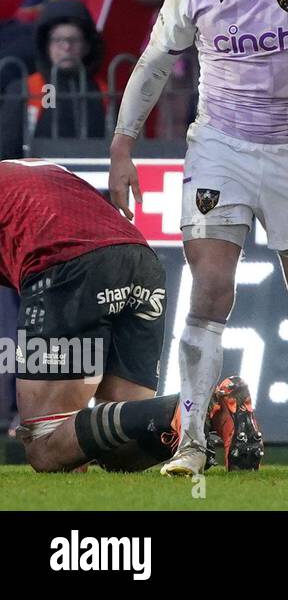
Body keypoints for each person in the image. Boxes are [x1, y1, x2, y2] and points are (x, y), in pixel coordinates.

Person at [109, 0, 288, 477]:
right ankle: (191, 442)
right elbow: (154, 61)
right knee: (210, 290)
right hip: (219, 149)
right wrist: (123, 142)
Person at [4, 158, 179, 473]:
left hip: (69, 265)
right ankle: (209, 406)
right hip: (140, 259)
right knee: (123, 446)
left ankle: (186, 408)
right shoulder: (31, 168)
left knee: (45, 444)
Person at [1, 0, 108, 158]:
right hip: (35, 179)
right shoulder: (27, 89)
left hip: (91, 179)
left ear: (87, 46)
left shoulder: (102, 91)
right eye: (58, 40)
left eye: (73, 40)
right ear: (46, 46)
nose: (66, 47)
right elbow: (5, 150)